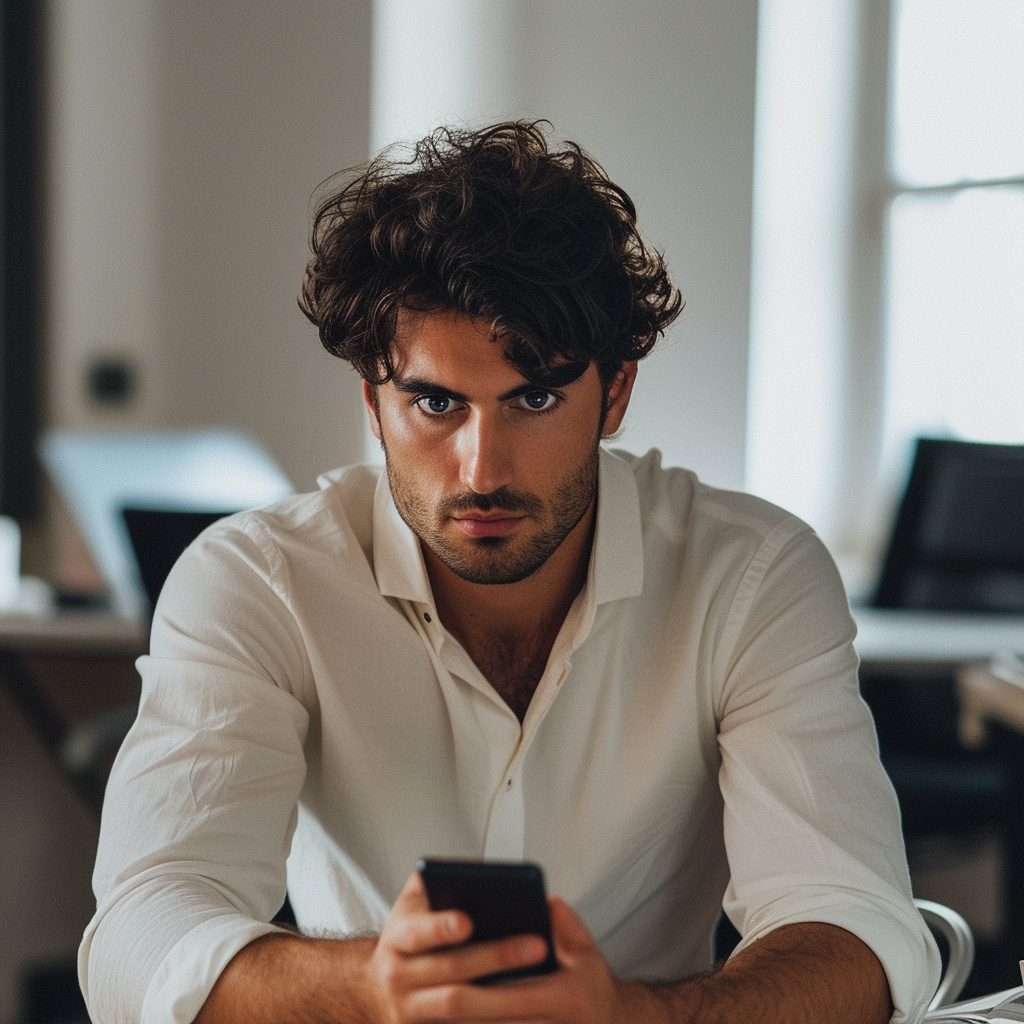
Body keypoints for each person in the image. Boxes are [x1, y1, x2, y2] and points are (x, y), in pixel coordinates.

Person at [80, 121, 938, 1024]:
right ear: (374, 403)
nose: (481, 468)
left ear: (615, 393)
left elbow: (856, 926)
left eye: (533, 398)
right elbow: (142, 929)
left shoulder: (752, 577)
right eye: (436, 403)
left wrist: (629, 1017)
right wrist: (374, 989)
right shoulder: (257, 581)